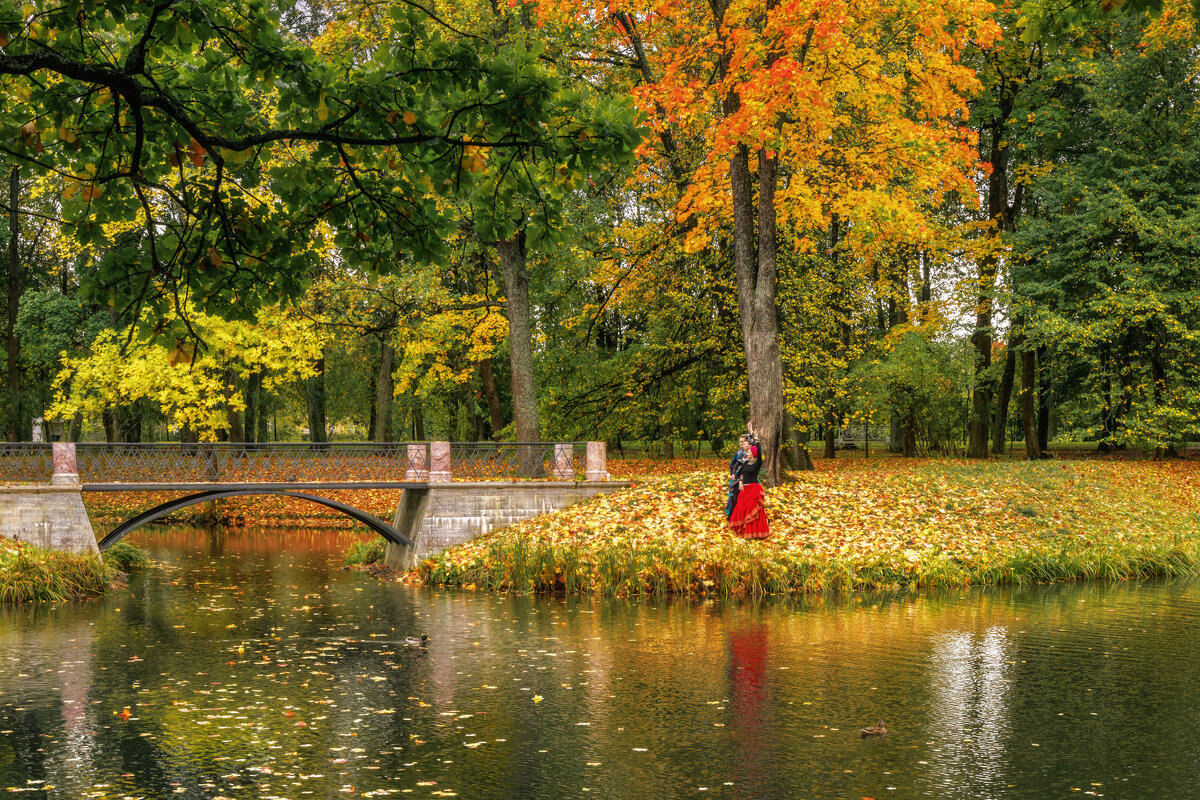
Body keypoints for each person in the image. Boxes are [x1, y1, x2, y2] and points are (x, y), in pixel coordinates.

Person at [728, 437, 769, 539]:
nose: (747, 453)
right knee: (741, 509)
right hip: (744, 489)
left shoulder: (757, 463)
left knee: (752, 511)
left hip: (753, 489)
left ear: (754, 454)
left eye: (750, 452)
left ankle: (754, 533)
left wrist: (756, 438)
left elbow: (759, 451)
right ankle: (744, 531)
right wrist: (740, 481)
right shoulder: (745, 463)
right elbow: (737, 475)